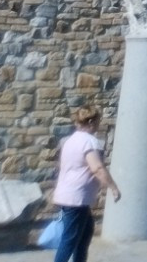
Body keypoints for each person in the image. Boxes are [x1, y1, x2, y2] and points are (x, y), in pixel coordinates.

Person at [50, 106, 120, 262]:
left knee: (85, 232)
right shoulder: (89, 141)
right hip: (76, 197)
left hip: (69, 194)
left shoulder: (70, 140)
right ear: (91, 122)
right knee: (70, 240)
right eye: (97, 121)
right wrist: (113, 188)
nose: (98, 124)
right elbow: (97, 168)